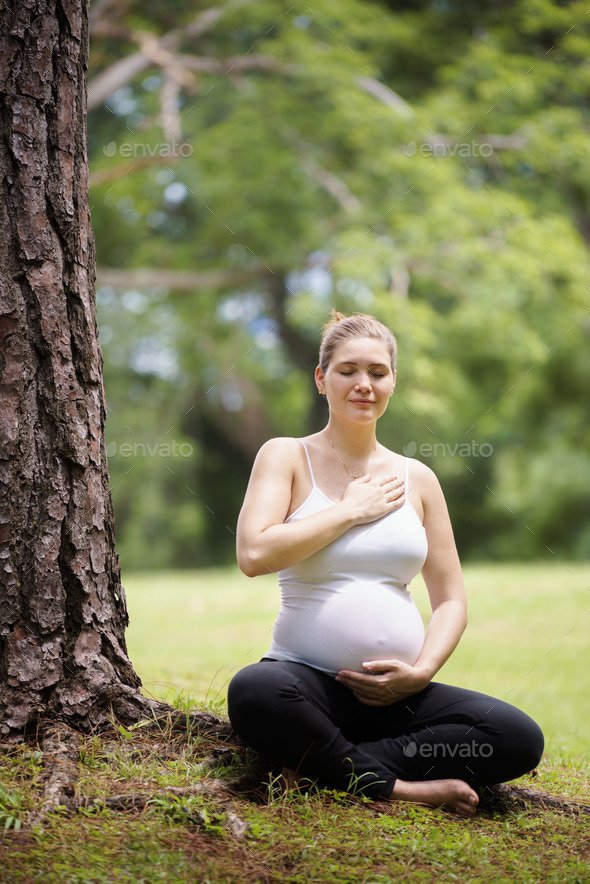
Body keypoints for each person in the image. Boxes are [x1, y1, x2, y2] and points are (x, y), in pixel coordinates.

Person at [227, 311, 544, 817]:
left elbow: (451, 598)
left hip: (398, 700)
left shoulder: (418, 479)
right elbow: (254, 554)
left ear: (393, 381)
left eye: (377, 372)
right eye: (348, 370)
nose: (363, 384)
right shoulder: (285, 455)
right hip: (304, 684)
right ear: (321, 378)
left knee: (515, 736)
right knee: (253, 691)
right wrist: (350, 510)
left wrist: (421, 673)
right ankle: (405, 790)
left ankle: (324, 769)